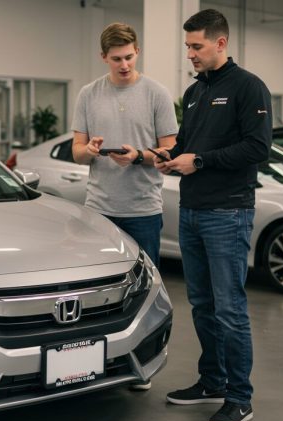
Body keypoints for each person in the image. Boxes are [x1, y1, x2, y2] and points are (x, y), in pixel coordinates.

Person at [154, 9, 271, 421]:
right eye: (187, 47)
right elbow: (187, 144)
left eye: (197, 46)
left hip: (228, 213)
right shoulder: (194, 93)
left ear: (220, 43)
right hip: (192, 212)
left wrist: (199, 160)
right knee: (202, 304)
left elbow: (258, 148)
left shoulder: (248, 87)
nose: (191, 54)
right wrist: (165, 157)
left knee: (230, 308)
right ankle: (212, 381)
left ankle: (240, 397)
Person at [71, 22, 178, 270]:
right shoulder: (88, 94)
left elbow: (170, 151)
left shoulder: (157, 94)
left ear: (137, 51)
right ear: (103, 57)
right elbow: (77, 151)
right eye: (116, 59)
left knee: (146, 280)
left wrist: (138, 156)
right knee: (100, 279)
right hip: (99, 210)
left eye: (129, 57)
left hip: (144, 211)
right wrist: (88, 151)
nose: (124, 65)